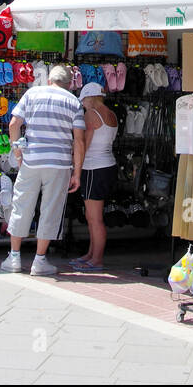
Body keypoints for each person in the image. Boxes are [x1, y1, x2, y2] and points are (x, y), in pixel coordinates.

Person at [2, 64, 86, 276]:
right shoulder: (74, 102)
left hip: (32, 159)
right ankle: (39, 261)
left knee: (22, 205)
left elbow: (14, 124)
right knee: (51, 209)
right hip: (59, 163)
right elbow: (79, 141)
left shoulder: (32, 93)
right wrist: (77, 173)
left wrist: (17, 152)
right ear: (69, 84)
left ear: (49, 80)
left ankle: (14, 257)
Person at [70, 82, 118, 271]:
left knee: (94, 218)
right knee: (93, 217)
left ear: (89, 98)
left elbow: (84, 144)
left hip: (94, 168)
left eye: (83, 100)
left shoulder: (91, 115)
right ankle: (91, 254)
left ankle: (96, 259)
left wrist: (76, 170)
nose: (83, 105)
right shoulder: (112, 114)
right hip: (107, 165)